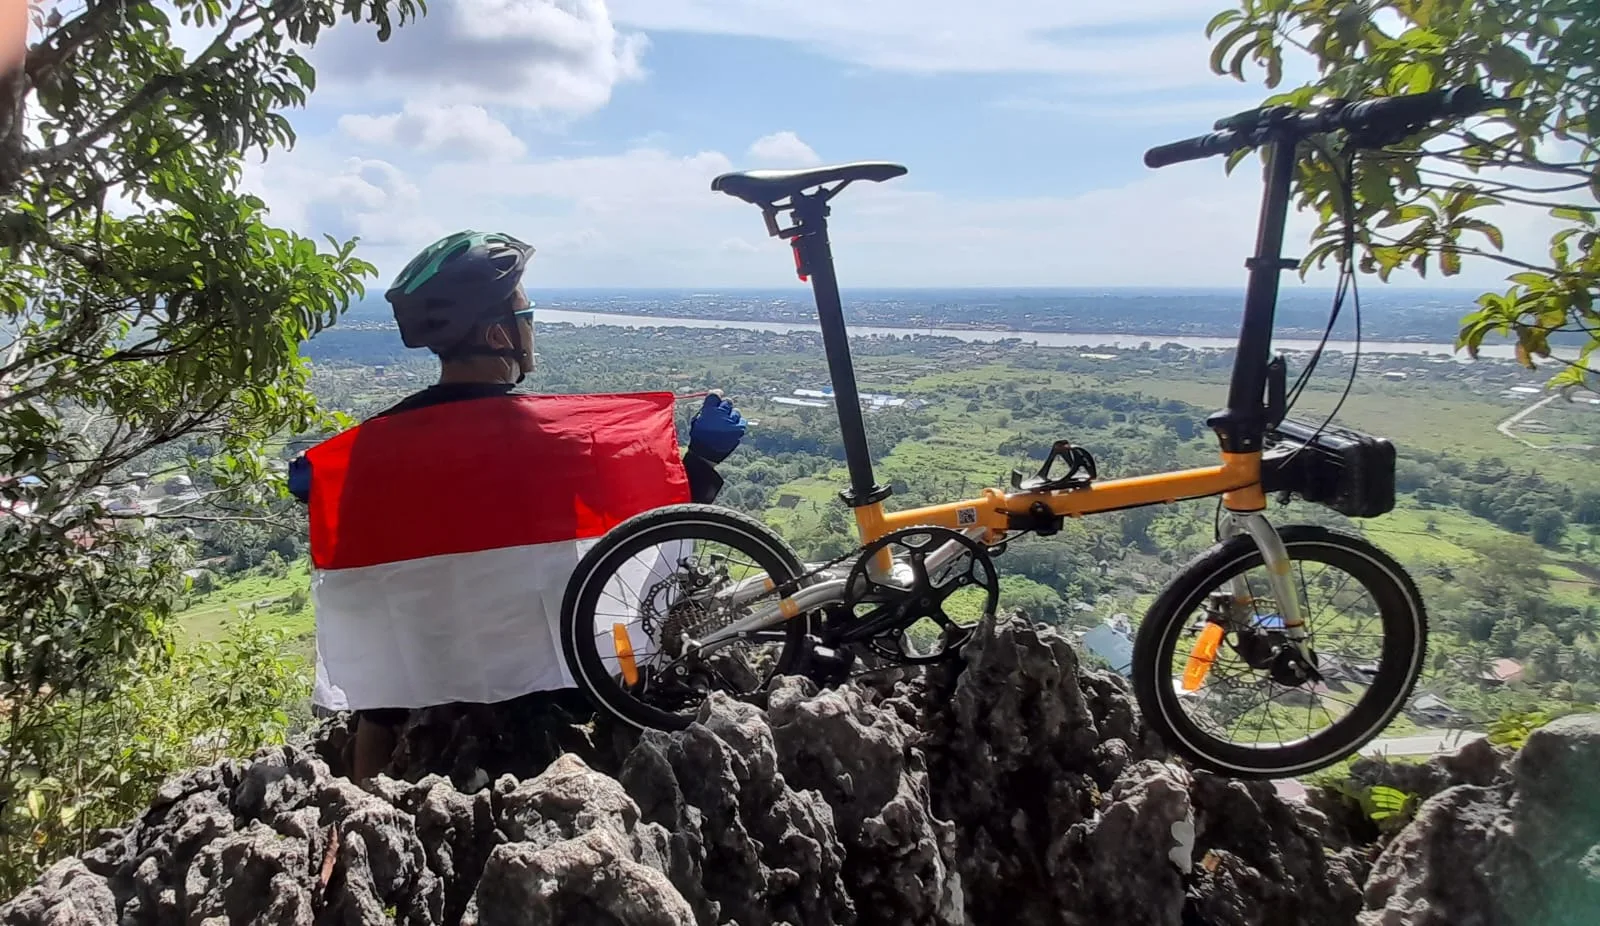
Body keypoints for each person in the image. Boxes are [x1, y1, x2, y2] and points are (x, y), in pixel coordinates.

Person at [288, 230, 747, 781]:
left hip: (421, 681)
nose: (532, 326)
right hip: (558, 684)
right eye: (526, 314)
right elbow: (650, 533)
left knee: (378, 711)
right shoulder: (563, 440)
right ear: (496, 332)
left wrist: (325, 479)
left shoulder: (372, 448)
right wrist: (703, 460)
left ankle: (362, 811)